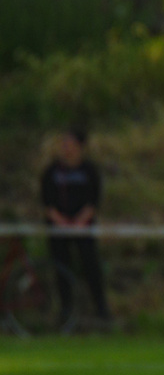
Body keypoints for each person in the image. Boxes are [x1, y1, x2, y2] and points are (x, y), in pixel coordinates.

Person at [39, 129, 110, 327]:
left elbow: (94, 201)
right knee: (61, 268)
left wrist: (80, 222)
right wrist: (61, 222)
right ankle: (66, 311)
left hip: (83, 227)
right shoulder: (52, 171)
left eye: (69, 143)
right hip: (58, 228)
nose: (65, 148)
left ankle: (101, 309)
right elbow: (47, 202)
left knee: (91, 266)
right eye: (63, 143)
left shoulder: (89, 171)